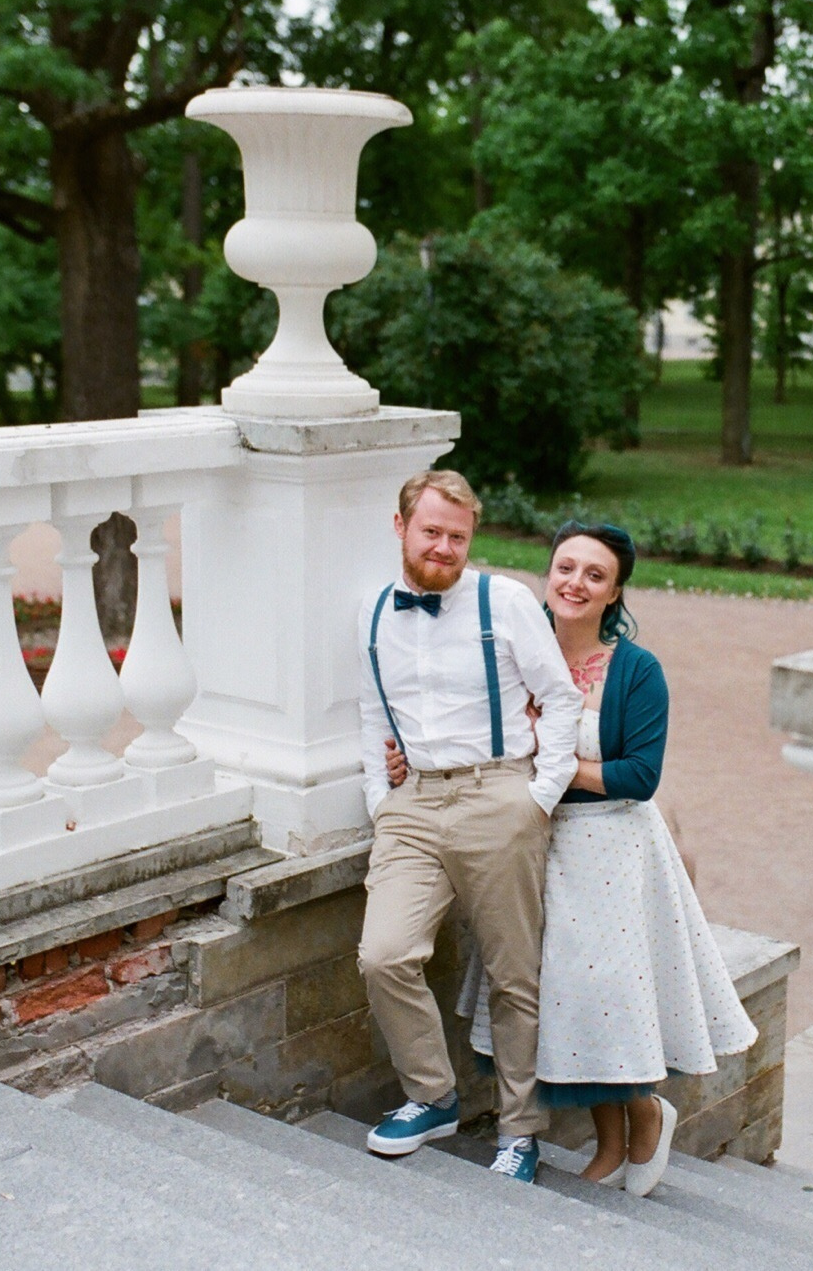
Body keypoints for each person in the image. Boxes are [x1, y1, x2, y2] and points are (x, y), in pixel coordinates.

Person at [390, 521, 756, 1198]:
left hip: (613, 847)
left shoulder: (636, 671)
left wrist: (552, 765)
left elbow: (639, 774)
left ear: (616, 591)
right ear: (548, 573)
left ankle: (646, 1111)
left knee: (606, 995)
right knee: (559, 994)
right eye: (565, 567)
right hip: (533, 843)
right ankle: (610, 1142)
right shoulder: (512, 654)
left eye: (595, 574)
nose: (575, 583)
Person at [355, 468, 583, 1183]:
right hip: (413, 804)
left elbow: (560, 697)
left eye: (458, 536)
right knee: (383, 954)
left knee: (515, 975)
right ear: (401, 528)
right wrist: (379, 798)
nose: (445, 547)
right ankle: (433, 1094)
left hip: (499, 797)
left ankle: (520, 1132)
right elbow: (371, 712)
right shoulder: (373, 612)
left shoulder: (505, 601)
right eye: (431, 531)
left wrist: (537, 796)